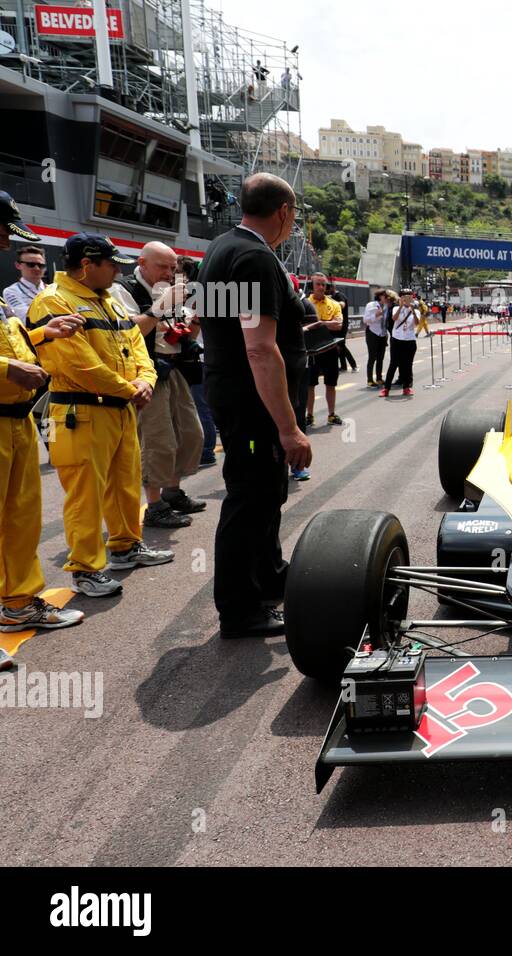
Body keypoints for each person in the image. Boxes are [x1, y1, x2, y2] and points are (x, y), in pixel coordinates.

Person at [26, 234, 174, 598]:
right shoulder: (53, 301)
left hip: (118, 410)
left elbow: (138, 345)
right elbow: (78, 365)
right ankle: (86, 569)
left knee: (124, 483)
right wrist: (131, 388)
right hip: (81, 411)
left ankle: (125, 546)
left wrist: (145, 379)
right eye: (111, 264)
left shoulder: (108, 301)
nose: (116, 271)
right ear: (88, 265)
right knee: (85, 494)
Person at [197, 173, 311, 639]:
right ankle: (240, 607)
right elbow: (259, 348)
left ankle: (267, 577)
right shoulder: (254, 258)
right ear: (283, 212)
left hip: (233, 390)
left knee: (265, 493)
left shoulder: (222, 248)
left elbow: (225, 330)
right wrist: (289, 429)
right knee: (249, 497)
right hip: (251, 400)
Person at [0, 209, 86, 660]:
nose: (4, 244)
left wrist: (40, 335)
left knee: (21, 520)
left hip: (15, 421)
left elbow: (11, 343)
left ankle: (16, 605)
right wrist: (7, 368)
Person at [112, 241, 206, 530]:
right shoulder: (123, 289)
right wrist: (160, 307)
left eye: (173, 267)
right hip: (146, 371)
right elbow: (130, 332)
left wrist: (198, 319)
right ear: (142, 263)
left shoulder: (171, 290)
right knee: (158, 440)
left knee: (191, 435)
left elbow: (185, 330)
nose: (169, 272)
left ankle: (172, 492)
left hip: (174, 368)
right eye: (162, 266)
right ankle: (154, 506)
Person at [175, 256, 217, 467]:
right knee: (200, 407)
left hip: (198, 358)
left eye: (176, 270)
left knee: (201, 407)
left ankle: (207, 450)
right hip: (199, 358)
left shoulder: (194, 297)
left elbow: (193, 332)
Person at [303, 273, 344, 427]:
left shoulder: (333, 304)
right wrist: (328, 322)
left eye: (323, 284)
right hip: (312, 351)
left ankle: (331, 414)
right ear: (311, 286)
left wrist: (318, 323)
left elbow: (339, 325)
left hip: (330, 349)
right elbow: (302, 326)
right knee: (310, 385)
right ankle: (310, 415)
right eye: (318, 284)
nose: (321, 287)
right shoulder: (305, 303)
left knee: (331, 383)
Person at [382, 288, 419, 397]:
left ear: (412, 298)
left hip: (410, 340)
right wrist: (402, 306)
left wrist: (412, 310)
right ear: (400, 298)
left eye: (408, 296)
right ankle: (386, 388)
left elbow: (416, 324)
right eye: (404, 296)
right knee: (393, 364)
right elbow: (394, 318)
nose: (406, 298)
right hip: (397, 339)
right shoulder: (396, 308)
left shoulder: (415, 310)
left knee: (407, 365)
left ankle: (406, 387)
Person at [3, 241, 47, 323]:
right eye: (31, 264)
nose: (37, 268)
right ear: (18, 265)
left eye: (41, 265)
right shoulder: (11, 291)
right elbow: (25, 320)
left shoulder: (52, 288)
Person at [363, 290, 389, 387]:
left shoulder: (386, 306)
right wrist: (376, 315)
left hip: (382, 334)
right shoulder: (371, 305)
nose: (387, 298)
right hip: (372, 333)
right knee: (372, 357)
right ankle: (370, 379)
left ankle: (379, 378)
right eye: (385, 296)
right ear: (380, 296)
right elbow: (365, 319)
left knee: (380, 358)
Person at [330, 282, 358, 372]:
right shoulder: (333, 296)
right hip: (336, 325)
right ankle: (343, 366)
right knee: (339, 345)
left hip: (342, 325)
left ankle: (354, 365)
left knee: (341, 345)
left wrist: (330, 301)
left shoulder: (339, 295)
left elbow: (342, 304)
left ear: (332, 288)